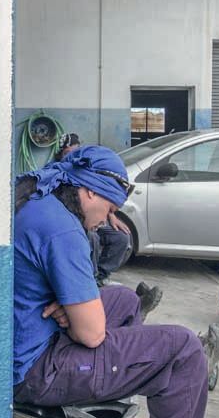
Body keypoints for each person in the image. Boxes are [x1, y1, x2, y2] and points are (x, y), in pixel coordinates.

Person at [13, 145, 219, 418]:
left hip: (20, 339)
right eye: (111, 209)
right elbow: (92, 333)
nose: (108, 221)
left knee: (124, 299)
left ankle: (110, 409)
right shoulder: (63, 228)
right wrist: (79, 315)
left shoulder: (42, 201)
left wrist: (70, 307)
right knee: (182, 351)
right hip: (33, 368)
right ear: (90, 192)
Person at [54, 133, 161, 318]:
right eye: (70, 152)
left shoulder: (90, 180)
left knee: (121, 236)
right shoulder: (60, 182)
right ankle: (124, 306)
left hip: (86, 215)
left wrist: (110, 214)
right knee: (91, 237)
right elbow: (91, 335)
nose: (74, 155)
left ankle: (103, 280)